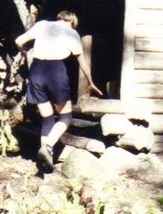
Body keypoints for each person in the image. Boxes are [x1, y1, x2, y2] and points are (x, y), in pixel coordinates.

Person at [15, 10, 102, 173]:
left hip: (37, 70)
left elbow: (19, 40)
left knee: (47, 119)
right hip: (55, 71)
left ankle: (44, 162)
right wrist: (90, 82)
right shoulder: (71, 32)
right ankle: (48, 147)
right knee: (65, 116)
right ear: (72, 21)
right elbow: (81, 60)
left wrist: (23, 51)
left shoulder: (41, 25)